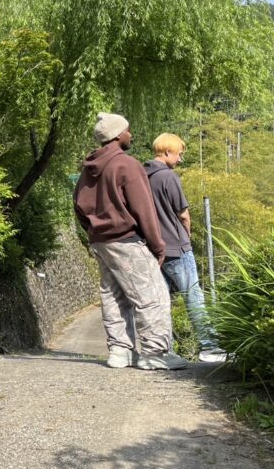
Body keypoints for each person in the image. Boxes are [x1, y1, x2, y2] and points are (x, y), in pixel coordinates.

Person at [73, 112, 188, 370]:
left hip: (100, 241)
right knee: (153, 295)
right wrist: (157, 245)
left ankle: (119, 351)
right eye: (127, 130)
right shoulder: (126, 165)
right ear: (117, 135)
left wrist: (92, 231)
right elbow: (144, 209)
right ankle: (154, 352)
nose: (131, 134)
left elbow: (79, 206)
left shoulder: (88, 170)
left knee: (113, 294)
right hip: (126, 239)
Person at [144, 133, 226, 364]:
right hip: (176, 247)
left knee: (160, 301)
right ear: (168, 152)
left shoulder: (142, 176)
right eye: (179, 154)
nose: (180, 159)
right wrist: (186, 236)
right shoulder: (168, 177)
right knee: (193, 296)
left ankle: (162, 349)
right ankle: (210, 347)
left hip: (153, 247)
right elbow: (183, 214)